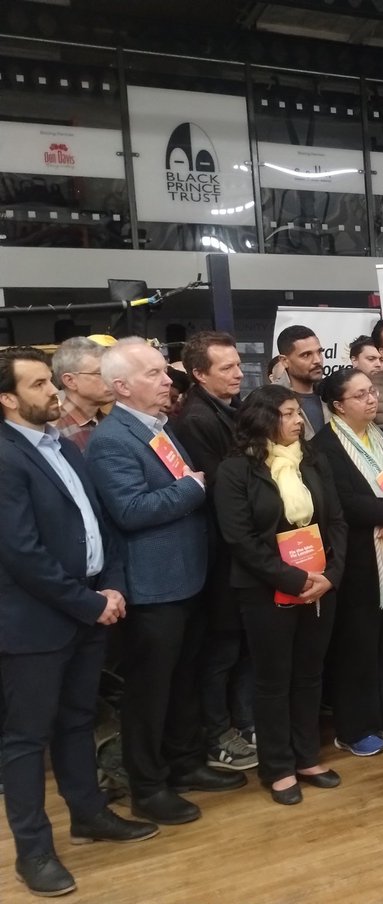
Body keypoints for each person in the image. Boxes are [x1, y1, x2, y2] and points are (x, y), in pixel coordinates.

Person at [0, 348, 158, 899]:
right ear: (7, 398)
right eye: (39, 384)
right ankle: (33, 852)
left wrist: (111, 583)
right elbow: (22, 553)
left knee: (77, 722)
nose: (52, 392)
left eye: (50, 381)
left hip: (90, 606)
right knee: (24, 739)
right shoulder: (5, 456)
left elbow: (99, 526)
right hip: (35, 622)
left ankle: (89, 814)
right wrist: (88, 602)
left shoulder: (63, 445)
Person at [86, 339, 244, 827]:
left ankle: (185, 762)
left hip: (186, 577)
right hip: (152, 587)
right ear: (121, 387)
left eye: (163, 371)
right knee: (148, 692)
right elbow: (130, 511)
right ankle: (148, 786)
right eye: (153, 374)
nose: (167, 381)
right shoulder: (113, 439)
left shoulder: (157, 428)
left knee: (183, 681)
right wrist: (191, 488)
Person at [214, 386, 347, 805]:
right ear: (263, 418)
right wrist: (291, 579)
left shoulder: (313, 459)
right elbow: (240, 539)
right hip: (266, 589)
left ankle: (307, 757)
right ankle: (278, 767)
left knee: (310, 674)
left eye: (297, 413)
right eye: (288, 413)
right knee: (273, 681)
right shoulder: (236, 470)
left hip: (319, 585)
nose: (298, 421)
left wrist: (331, 575)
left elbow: (337, 520)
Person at [312, 369, 383, 756]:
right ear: (339, 405)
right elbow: (339, 500)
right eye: (360, 395)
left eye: (371, 392)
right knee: (357, 645)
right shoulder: (325, 446)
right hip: (359, 557)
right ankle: (354, 727)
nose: (371, 399)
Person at [172, 332, 258, 774]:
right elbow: (224, 488)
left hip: (240, 554)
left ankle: (245, 722)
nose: (239, 372)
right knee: (222, 649)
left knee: (241, 644)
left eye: (238, 364)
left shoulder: (233, 409)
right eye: (226, 368)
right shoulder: (196, 420)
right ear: (199, 374)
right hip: (222, 553)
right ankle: (220, 732)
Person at [51, 336, 112, 451]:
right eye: (100, 373)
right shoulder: (57, 433)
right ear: (70, 381)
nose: (111, 379)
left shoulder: (106, 421)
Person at [277, 325, 328, 437]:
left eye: (319, 352)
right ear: (284, 361)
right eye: (306, 355)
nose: (317, 360)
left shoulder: (333, 395)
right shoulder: (269, 402)